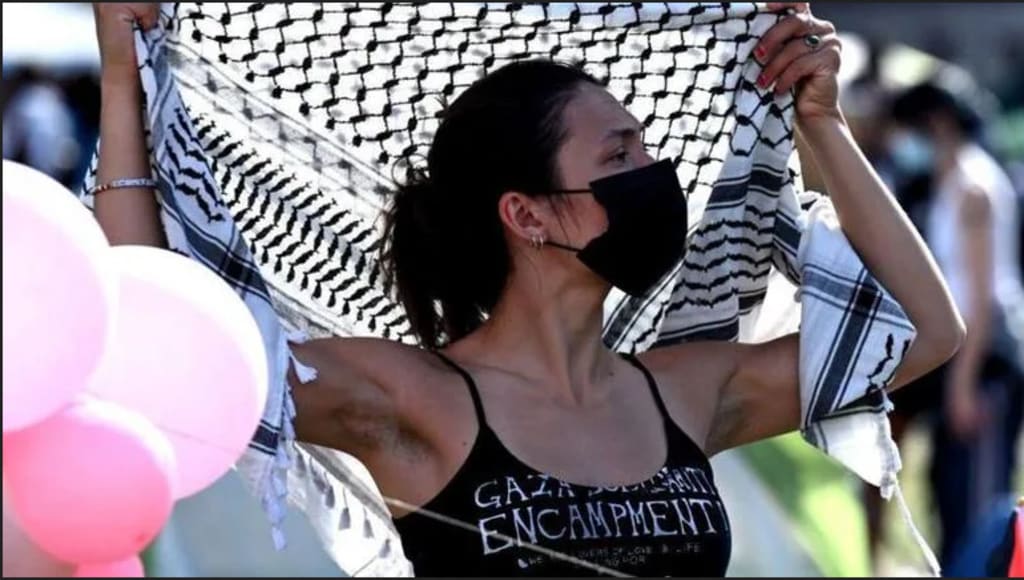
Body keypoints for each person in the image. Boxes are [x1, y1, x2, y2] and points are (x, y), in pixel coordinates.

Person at [90, 3, 964, 576]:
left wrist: (821, 123)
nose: (653, 173)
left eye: (645, 148)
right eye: (619, 154)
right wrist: (124, 80)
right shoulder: (414, 398)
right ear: (528, 214)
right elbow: (168, 352)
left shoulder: (687, 390)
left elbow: (924, 330)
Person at [884, 81, 1024, 569]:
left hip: (984, 364)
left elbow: (980, 298)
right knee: (946, 498)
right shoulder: (945, 183)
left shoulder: (974, 186)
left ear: (938, 123)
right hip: (960, 362)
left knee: (977, 512)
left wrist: (963, 386)